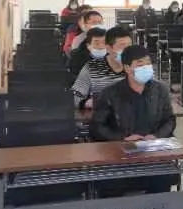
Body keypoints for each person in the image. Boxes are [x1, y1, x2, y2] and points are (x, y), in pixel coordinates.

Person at [90, 45, 176, 195]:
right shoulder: (110, 93)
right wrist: (122, 138)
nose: (146, 67)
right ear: (127, 68)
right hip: (120, 155)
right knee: (110, 183)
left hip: (152, 153)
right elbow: (97, 127)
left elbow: (169, 120)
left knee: (164, 177)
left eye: (148, 63)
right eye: (140, 64)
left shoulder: (160, 90)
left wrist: (156, 136)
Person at [72, 26, 130, 109]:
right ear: (108, 48)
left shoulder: (137, 67)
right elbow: (76, 97)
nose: (128, 50)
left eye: (130, 45)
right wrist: (89, 103)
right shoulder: (92, 67)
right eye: (122, 46)